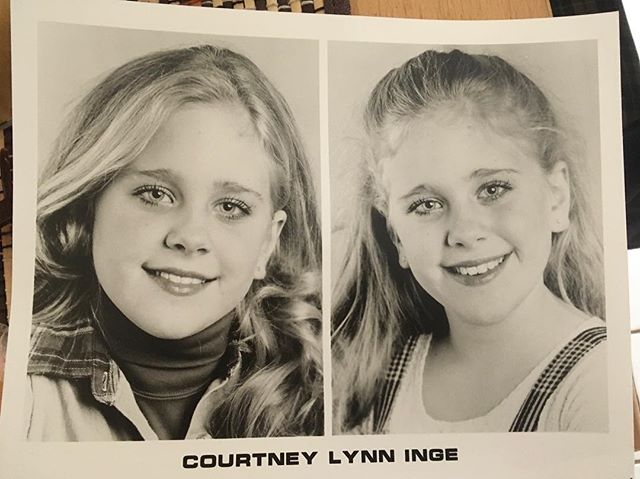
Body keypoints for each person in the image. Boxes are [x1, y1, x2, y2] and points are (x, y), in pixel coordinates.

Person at [27, 44, 322, 440]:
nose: (190, 238)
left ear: (268, 242)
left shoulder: (326, 401)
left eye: (231, 206)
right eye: (156, 193)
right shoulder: (17, 391)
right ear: (89, 205)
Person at [332, 48, 607, 434]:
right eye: (426, 204)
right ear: (396, 236)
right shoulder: (368, 389)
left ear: (556, 197)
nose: (464, 232)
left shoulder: (597, 381)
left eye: (493, 188)